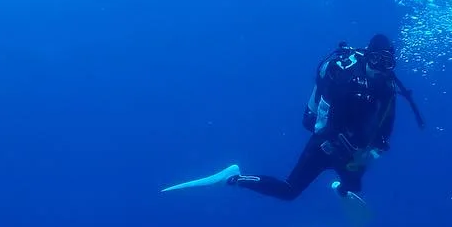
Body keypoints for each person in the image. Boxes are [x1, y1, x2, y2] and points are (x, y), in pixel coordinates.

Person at [165, 34, 424, 203]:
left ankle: (341, 186)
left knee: (353, 188)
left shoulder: (387, 87)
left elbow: (386, 126)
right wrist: (345, 150)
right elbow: (326, 125)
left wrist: (373, 152)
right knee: (289, 191)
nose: (381, 68)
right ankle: (233, 178)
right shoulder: (345, 79)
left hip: (353, 149)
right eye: (377, 60)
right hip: (326, 144)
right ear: (368, 57)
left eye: (387, 62)